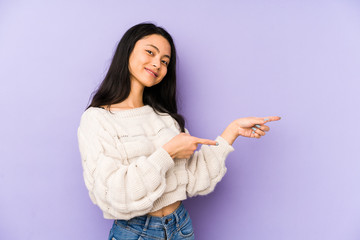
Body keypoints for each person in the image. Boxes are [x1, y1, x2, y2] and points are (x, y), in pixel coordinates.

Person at [77, 22, 281, 240]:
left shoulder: (165, 118)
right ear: (127, 50)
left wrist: (231, 132)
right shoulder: (97, 119)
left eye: (165, 61)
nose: (157, 64)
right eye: (150, 52)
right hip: (135, 232)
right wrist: (167, 153)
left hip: (180, 227)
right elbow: (114, 194)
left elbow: (193, 180)